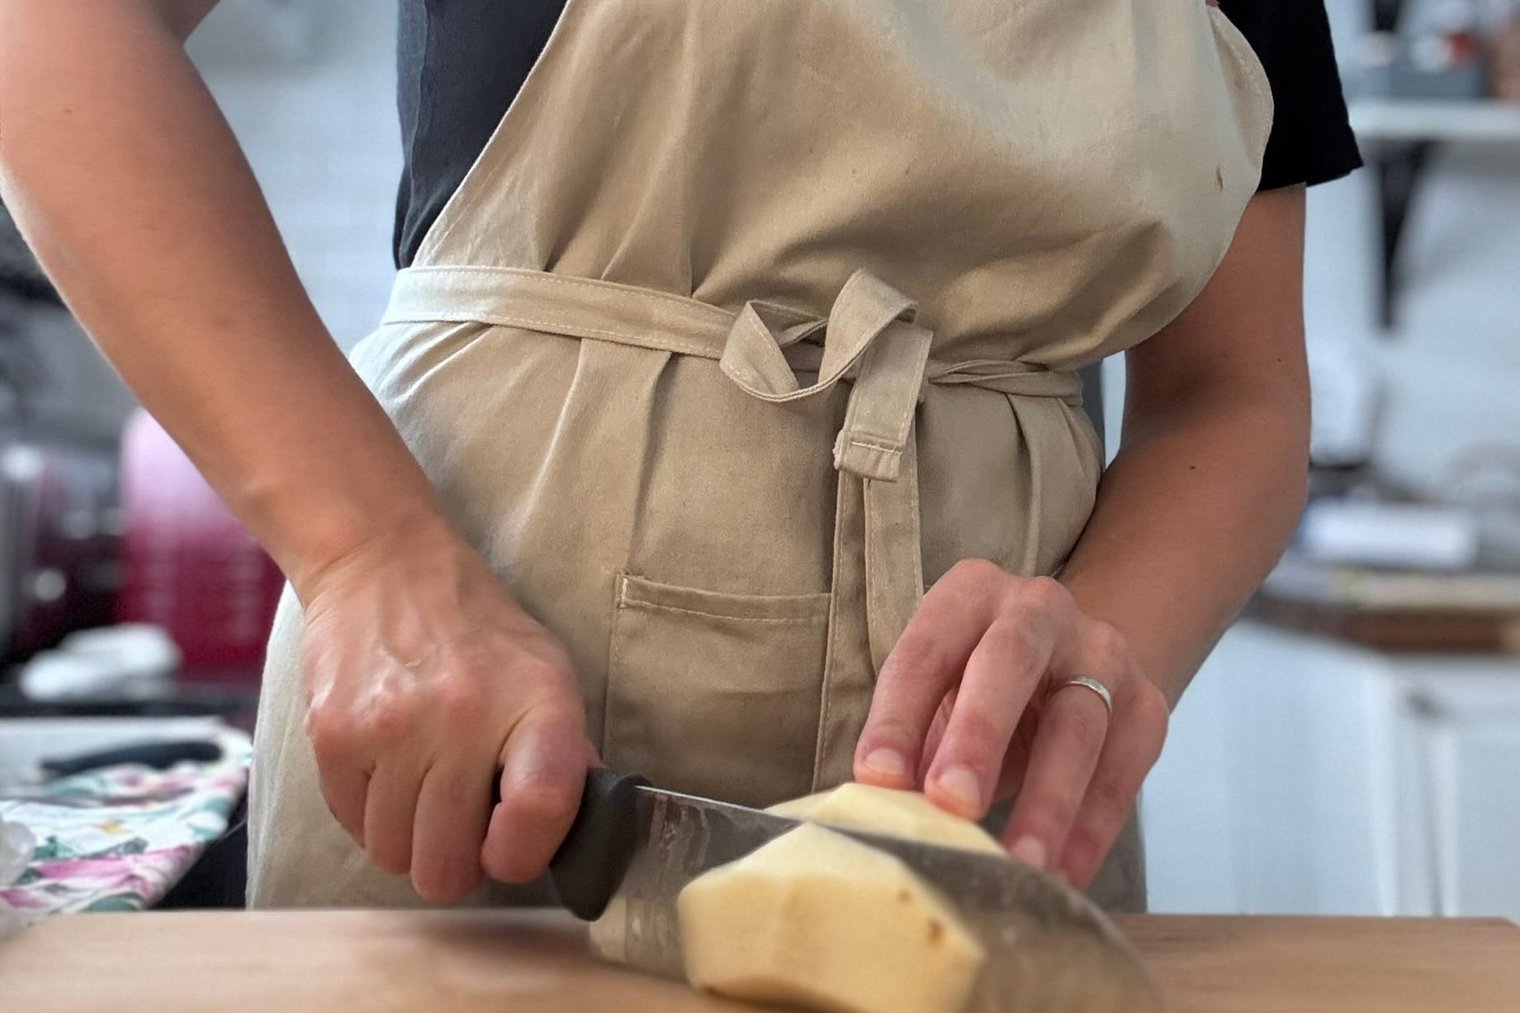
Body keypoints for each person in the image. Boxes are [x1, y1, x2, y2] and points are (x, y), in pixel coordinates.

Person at [0, 1, 1360, 911]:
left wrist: (1096, 651)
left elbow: (1234, 393)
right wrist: (367, 555)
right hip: (482, 707)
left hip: (992, 782)